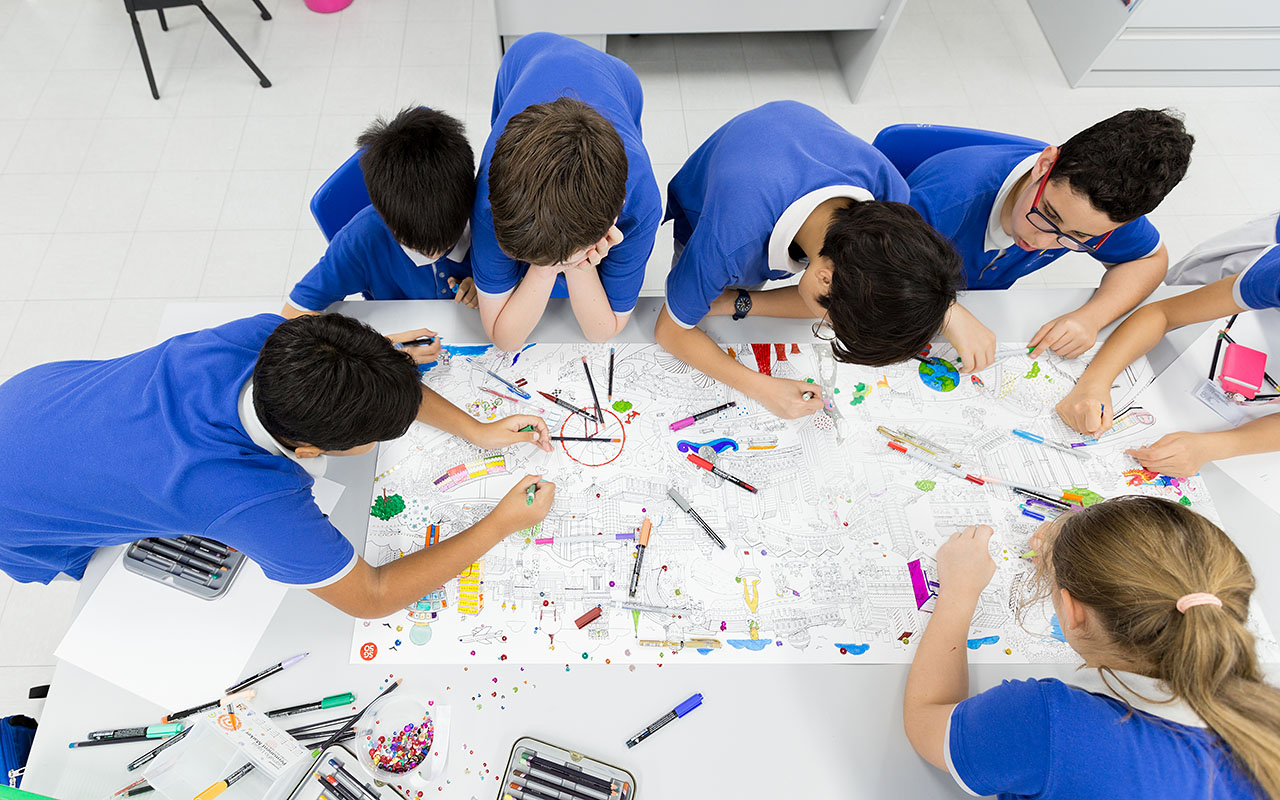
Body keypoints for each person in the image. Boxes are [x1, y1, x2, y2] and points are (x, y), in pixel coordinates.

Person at [0, 313, 555, 620]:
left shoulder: (269, 338)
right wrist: (499, 524)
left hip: (34, 401)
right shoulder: (249, 498)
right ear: (310, 451)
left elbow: (349, 375)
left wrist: (476, 429)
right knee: (106, 576)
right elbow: (374, 596)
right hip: (19, 507)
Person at [904, 498, 1280, 799]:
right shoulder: (1266, 718)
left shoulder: (1047, 721)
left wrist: (958, 590)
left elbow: (925, 721)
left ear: (1073, 612)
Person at [656, 100, 963, 419]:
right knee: (701, 304)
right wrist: (763, 388)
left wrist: (739, 302)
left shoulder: (889, 192)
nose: (824, 321)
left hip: (792, 150)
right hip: (722, 193)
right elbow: (670, 330)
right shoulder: (728, 244)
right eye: (829, 321)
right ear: (825, 277)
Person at [907, 109, 1194, 372]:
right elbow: (868, 260)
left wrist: (1092, 317)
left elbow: (1149, 260)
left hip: (976, 304)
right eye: (1048, 214)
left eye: (1078, 237)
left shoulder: (1098, 214)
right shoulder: (949, 197)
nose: (1042, 241)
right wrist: (946, 310)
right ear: (1044, 165)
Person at [471, 32, 662, 351]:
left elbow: (603, 331)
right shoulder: (492, 197)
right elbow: (504, 338)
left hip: (617, 77)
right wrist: (547, 269)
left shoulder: (643, 203)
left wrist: (577, 267)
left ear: (614, 217)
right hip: (528, 55)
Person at [1056, 218, 1280, 476]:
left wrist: (1211, 447)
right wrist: (1095, 383)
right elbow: (1163, 314)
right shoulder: (1273, 276)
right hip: (1256, 280)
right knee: (1198, 288)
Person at [284, 107, 481, 356]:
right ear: (387, 220)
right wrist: (382, 350)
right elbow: (292, 317)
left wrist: (491, 285)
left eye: (449, 242)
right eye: (418, 248)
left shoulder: (487, 219)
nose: (435, 254)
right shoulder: (363, 239)